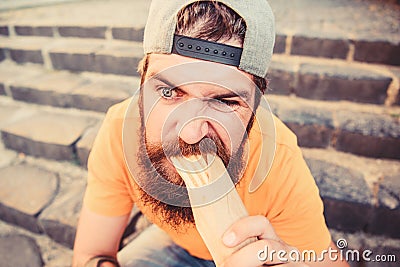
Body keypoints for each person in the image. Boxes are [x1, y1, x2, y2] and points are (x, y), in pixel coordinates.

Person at [72, 1, 349, 266]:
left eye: (225, 102)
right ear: (141, 85)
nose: (191, 134)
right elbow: (91, 254)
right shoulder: (119, 132)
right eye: (168, 92)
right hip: (174, 246)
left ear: (256, 108)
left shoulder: (279, 159)